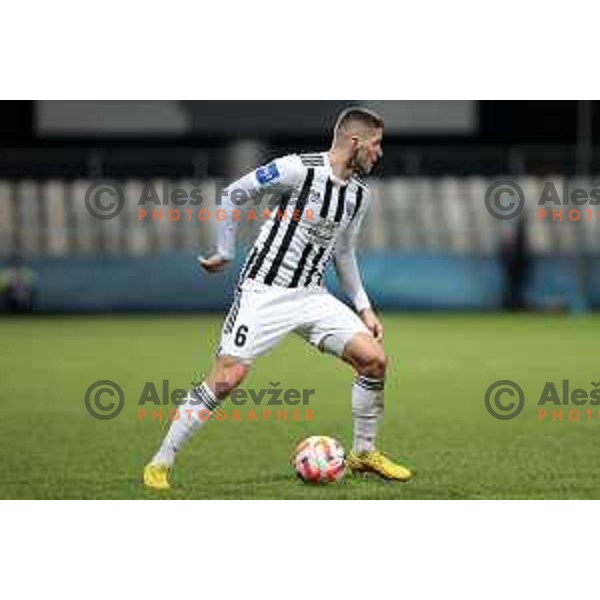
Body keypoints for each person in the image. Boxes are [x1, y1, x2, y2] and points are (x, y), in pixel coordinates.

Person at [144, 107, 413, 490]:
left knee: (374, 360)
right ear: (356, 142)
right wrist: (224, 249)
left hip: (311, 295)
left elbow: (344, 252)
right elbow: (234, 193)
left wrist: (364, 306)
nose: (379, 153)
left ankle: (364, 453)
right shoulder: (297, 169)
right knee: (227, 378)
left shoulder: (357, 195)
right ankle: (161, 461)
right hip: (264, 292)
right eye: (376, 144)